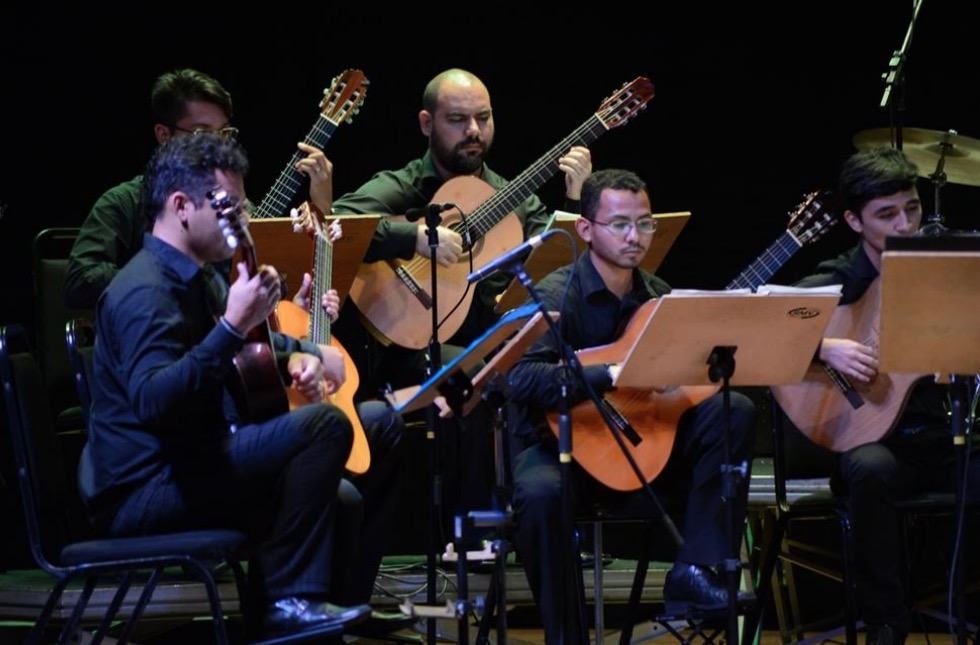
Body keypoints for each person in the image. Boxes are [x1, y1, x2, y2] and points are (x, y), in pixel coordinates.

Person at [505, 169, 757, 644]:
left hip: (644, 446)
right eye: (620, 224)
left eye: (644, 224)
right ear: (586, 230)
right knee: (537, 496)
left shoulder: (659, 295)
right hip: (564, 452)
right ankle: (568, 637)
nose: (634, 236)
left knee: (735, 408)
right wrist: (615, 374)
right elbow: (520, 378)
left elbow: (689, 381)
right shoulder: (559, 294)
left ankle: (695, 570)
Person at [329, 67, 591, 522]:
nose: (473, 131)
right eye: (458, 119)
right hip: (408, 350)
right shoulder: (403, 184)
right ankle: (472, 531)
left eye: (483, 118)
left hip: (491, 347)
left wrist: (574, 200)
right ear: (427, 123)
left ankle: (552, 517)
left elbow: (558, 263)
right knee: (475, 370)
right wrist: (411, 238)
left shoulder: (510, 196)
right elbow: (339, 228)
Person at [793, 147, 980, 645]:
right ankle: (886, 621)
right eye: (887, 214)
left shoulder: (947, 270)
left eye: (912, 208)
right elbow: (762, 331)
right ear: (854, 221)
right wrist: (825, 345)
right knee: (871, 469)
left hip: (940, 437)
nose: (905, 223)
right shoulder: (836, 278)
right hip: (868, 443)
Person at [64, 67, 333, 310]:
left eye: (224, 133)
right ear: (164, 135)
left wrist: (291, 302)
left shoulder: (237, 208)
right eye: (202, 134)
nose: (217, 146)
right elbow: (80, 281)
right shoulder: (122, 203)